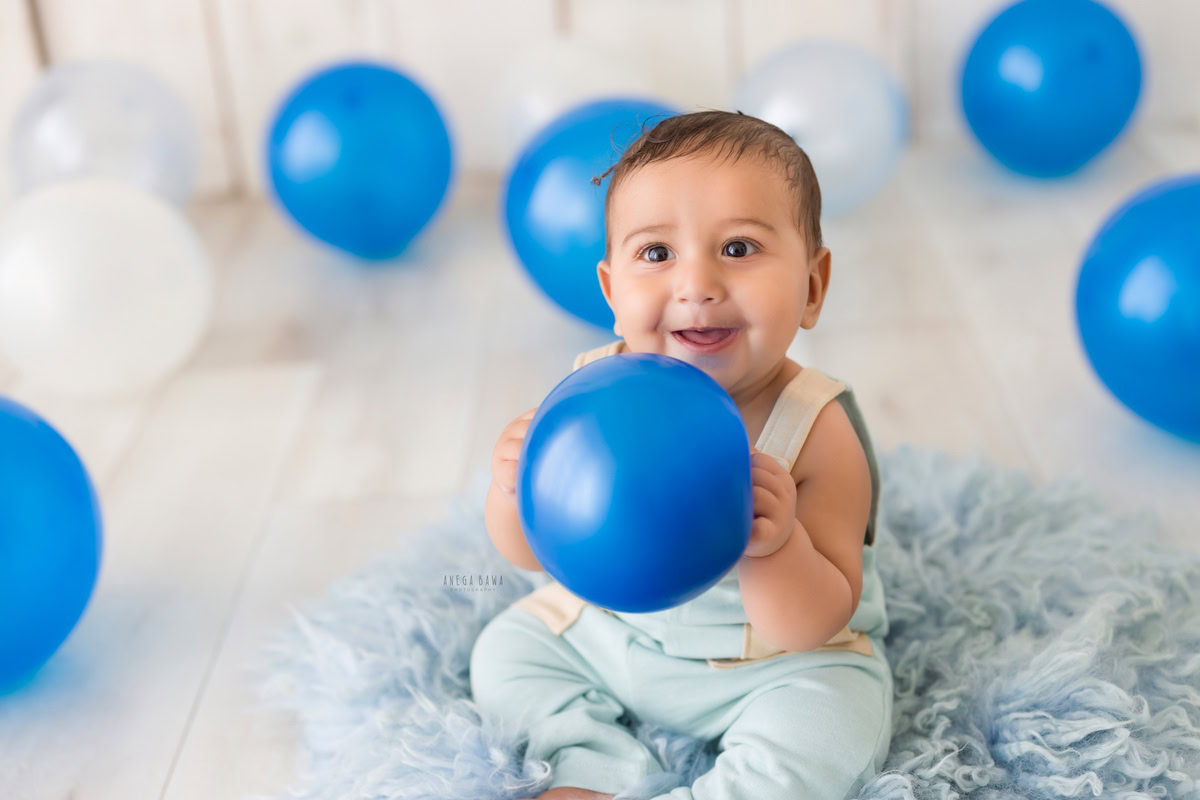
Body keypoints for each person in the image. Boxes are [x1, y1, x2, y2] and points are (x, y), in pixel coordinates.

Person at [470, 109, 893, 800]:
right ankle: (588, 766)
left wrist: (776, 542)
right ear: (612, 292)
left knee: (833, 721)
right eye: (658, 254)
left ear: (812, 287)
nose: (696, 285)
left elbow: (818, 618)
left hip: (768, 664)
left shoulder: (816, 429)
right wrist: (510, 489)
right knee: (506, 652)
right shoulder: (588, 394)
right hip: (614, 634)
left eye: (738, 249)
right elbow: (527, 553)